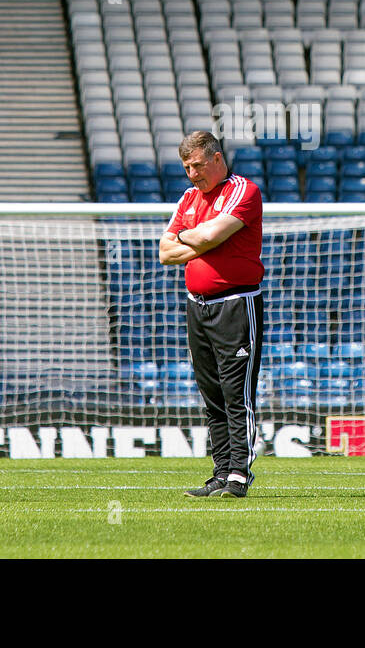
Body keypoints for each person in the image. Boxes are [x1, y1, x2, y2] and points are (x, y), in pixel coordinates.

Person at [158, 131, 264, 498]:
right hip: (196, 304)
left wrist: (192, 237)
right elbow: (164, 252)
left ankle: (239, 473)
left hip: (236, 304)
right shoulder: (189, 198)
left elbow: (201, 239)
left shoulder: (243, 191)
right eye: (187, 167)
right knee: (211, 395)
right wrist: (200, 237)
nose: (192, 174)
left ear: (217, 158)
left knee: (237, 393)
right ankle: (220, 472)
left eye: (198, 165)